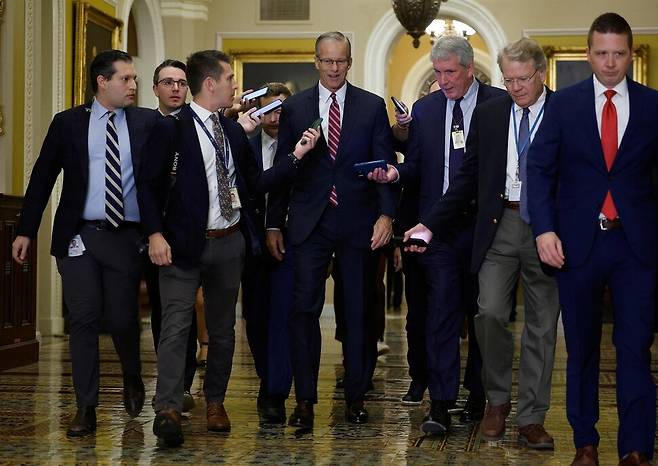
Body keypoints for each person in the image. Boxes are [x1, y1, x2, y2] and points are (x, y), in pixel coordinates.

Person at [139, 49, 319, 446]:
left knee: (222, 332)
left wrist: (295, 156)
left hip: (228, 243)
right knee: (175, 327)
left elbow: (255, 186)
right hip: (181, 246)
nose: (235, 86)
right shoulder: (172, 127)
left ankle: (215, 403)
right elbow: (148, 187)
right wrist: (154, 234)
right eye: (229, 79)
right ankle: (168, 407)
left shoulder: (233, 131)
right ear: (210, 84)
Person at [401, 37, 559, 448]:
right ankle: (497, 400)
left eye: (523, 79)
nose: (516, 88)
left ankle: (531, 417)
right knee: (487, 313)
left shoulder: (565, 112)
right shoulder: (491, 114)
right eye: (508, 80)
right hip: (500, 224)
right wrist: (429, 224)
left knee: (541, 326)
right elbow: (467, 176)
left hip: (547, 228)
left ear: (540, 74)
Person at [528, 13, 658, 466]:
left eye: (618, 53)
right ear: (589, 54)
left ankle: (637, 448)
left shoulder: (652, 106)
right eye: (601, 53)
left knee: (635, 347)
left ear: (628, 53)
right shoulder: (563, 105)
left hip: (636, 248)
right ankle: (585, 442)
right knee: (580, 347)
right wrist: (544, 228)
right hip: (577, 245)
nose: (610, 62)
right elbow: (539, 169)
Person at [12, 49, 157, 437]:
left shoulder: (146, 123)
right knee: (84, 320)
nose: (133, 85)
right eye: (125, 78)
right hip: (78, 236)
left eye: (134, 78)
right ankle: (86, 407)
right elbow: (42, 177)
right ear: (102, 82)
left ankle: (131, 375)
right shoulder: (68, 124)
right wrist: (25, 229)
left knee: (124, 320)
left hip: (125, 237)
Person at [371, 36, 503, 433]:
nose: (443, 81)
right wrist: (395, 173)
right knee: (442, 313)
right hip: (437, 229)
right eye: (439, 72)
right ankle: (441, 403)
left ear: (469, 70)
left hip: (485, 228)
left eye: (450, 73)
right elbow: (416, 167)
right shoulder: (426, 110)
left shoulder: (497, 105)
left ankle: (479, 394)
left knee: (484, 313)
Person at [266, 31, 396, 428]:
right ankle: (304, 401)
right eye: (327, 60)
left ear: (350, 62)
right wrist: (274, 222)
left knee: (359, 314)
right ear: (316, 62)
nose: (334, 68)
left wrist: (387, 216)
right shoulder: (296, 107)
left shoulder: (372, 107)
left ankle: (356, 397)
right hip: (309, 224)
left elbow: (386, 165)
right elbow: (285, 169)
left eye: (341, 61)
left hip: (359, 223)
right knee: (302, 312)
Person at [241, 82, 295, 423]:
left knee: (283, 316)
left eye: (281, 110)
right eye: (267, 109)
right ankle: (267, 376)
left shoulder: (304, 148)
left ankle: (275, 391)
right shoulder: (243, 145)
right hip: (250, 242)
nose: (275, 116)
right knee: (256, 317)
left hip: (290, 241)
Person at [147, 58, 197, 412]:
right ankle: (165, 382)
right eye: (168, 82)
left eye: (181, 82)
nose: (176, 88)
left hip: (189, 234)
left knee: (185, 313)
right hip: (149, 231)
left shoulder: (198, 126)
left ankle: (183, 385)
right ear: (156, 89)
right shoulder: (143, 125)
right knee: (161, 312)